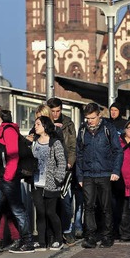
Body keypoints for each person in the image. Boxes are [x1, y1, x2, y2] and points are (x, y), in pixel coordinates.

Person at [0, 102, 35, 253]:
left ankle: (27, 241)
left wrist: (8, 176)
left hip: (7, 179)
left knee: (17, 210)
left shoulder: (8, 130)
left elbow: (13, 156)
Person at [76, 102, 124, 249]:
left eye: (92, 118)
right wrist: (80, 176)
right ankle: (90, 236)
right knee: (88, 206)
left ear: (99, 115)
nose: (89, 121)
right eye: (87, 118)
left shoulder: (108, 129)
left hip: (105, 173)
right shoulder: (83, 130)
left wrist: (115, 171)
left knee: (105, 206)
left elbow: (118, 151)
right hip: (88, 174)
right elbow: (79, 154)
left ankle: (107, 236)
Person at [46, 97, 80, 245]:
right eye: (52, 111)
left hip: (65, 167)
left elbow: (73, 145)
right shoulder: (44, 122)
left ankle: (67, 230)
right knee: (50, 204)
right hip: (48, 170)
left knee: (65, 201)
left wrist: (70, 163)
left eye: (58, 111)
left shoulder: (68, 123)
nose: (55, 114)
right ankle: (53, 233)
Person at [30, 116, 67, 251]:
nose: (35, 126)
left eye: (38, 124)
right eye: (35, 124)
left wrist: (58, 178)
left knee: (51, 212)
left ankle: (58, 239)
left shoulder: (55, 142)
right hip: (36, 183)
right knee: (40, 212)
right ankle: (41, 241)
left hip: (51, 183)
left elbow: (61, 162)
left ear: (45, 126)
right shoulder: (35, 142)